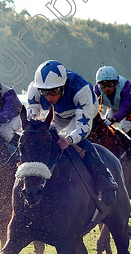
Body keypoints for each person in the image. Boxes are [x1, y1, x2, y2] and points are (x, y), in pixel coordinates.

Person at [26, 60, 118, 205]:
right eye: (45, 92)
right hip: (59, 114)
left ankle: (106, 180)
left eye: (54, 92)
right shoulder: (34, 89)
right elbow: (32, 124)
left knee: (71, 143)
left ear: (63, 86)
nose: (49, 97)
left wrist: (68, 140)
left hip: (82, 112)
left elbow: (83, 128)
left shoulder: (81, 90)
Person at [92, 65, 131, 179]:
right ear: (99, 85)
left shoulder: (125, 86)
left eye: (110, 85)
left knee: (126, 127)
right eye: (103, 85)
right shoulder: (96, 90)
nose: (107, 89)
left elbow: (125, 108)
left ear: (116, 83)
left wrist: (113, 119)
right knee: (105, 127)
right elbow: (93, 107)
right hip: (114, 106)